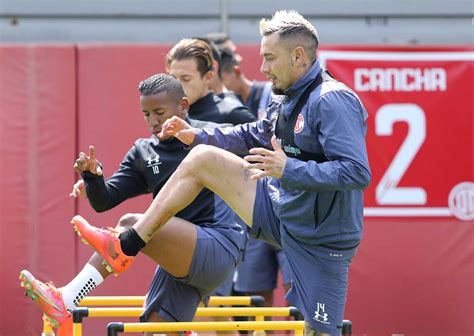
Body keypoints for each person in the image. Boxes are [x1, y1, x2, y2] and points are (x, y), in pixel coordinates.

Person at [71, 10, 371, 335]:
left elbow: (356, 172)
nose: (264, 68)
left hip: (321, 238)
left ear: (298, 56)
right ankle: (126, 245)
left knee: (319, 331)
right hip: (280, 211)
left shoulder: (333, 100)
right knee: (202, 157)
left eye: (270, 58)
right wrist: (197, 135)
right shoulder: (283, 98)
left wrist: (289, 168)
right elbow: (251, 133)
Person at [19, 73, 244, 334]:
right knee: (155, 331)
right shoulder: (143, 152)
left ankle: (68, 297)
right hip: (178, 259)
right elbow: (104, 201)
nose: (153, 121)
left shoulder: (214, 136)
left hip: (219, 247)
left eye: (159, 112)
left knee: (131, 224)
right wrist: (92, 177)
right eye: (146, 114)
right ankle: (66, 300)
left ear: (183, 106)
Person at [219, 45, 293, 313]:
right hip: (253, 211)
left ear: (235, 73)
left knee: (295, 291)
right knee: (255, 298)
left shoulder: (275, 94)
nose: (221, 90)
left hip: (287, 207)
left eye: (221, 81)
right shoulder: (224, 108)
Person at [166, 38, 255, 126]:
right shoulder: (169, 116)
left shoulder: (235, 115)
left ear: (207, 77)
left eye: (186, 78)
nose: (178, 86)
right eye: (173, 78)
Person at [219, 45, 273, 120]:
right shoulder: (231, 104)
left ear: (236, 71)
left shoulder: (270, 93)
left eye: (222, 80)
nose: (221, 87)